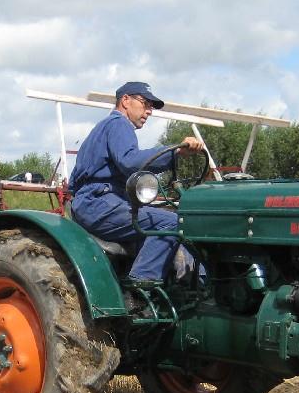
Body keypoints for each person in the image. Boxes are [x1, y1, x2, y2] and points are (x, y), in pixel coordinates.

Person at [68, 82, 203, 282]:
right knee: (172, 222)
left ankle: (194, 284)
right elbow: (130, 161)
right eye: (145, 103)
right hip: (97, 202)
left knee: (172, 229)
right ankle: (142, 286)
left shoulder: (108, 127)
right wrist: (176, 151)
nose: (149, 111)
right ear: (125, 100)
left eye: (151, 107)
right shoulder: (118, 123)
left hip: (102, 201)